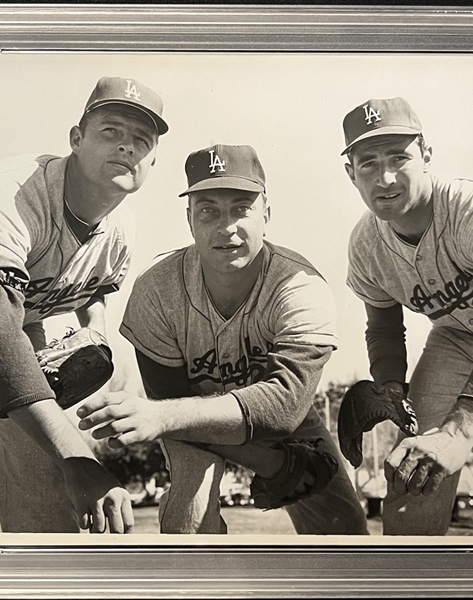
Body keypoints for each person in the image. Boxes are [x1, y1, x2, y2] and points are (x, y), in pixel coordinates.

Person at [76, 144, 368, 535]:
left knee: (345, 532)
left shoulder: (300, 286)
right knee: (190, 514)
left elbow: (282, 407)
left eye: (241, 208)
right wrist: (273, 464)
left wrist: (161, 418)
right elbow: (171, 412)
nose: (225, 227)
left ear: (266, 214)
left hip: (267, 415)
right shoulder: (157, 290)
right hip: (188, 417)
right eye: (208, 210)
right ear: (189, 219)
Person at [0, 76, 168, 534]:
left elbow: (94, 290)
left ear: (153, 159)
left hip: (6, 324)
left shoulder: (120, 229)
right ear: (76, 138)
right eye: (111, 131)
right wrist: (77, 454)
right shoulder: (7, 196)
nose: (127, 147)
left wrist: (98, 340)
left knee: (44, 463)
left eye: (141, 140)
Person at [339, 97, 473, 535]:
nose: (386, 177)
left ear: (427, 156)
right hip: (455, 338)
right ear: (350, 173)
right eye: (369, 163)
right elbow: (384, 329)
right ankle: (408, 576)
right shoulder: (364, 245)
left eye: (400, 157)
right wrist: (391, 389)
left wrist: (460, 431)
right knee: (414, 469)